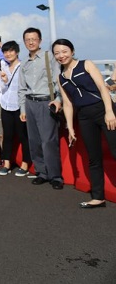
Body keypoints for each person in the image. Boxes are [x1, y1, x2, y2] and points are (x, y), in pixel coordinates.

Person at [54, 39, 116, 208]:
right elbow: (68, 104)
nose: (61, 55)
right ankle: (98, 197)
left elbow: (103, 88)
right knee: (93, 158)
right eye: (57, 53)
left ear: (72, 51)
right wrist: (70, 128)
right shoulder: (61, 77)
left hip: (103, 110)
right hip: (84, 117)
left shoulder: (86, 64)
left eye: (64, 51)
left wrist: (109, 111)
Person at [18, 27, 63, 190]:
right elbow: (22, 88)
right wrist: (23, 109)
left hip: (46, 102)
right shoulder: (24, 63)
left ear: (40, 41)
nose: (31, 42)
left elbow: (59, 81)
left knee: (48, 141)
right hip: (30, 103)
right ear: (24, 42)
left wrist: (58, 99)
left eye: (34, 39)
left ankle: (55, 176)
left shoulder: (49, 57)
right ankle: (41, 172)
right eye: (27, 40)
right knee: (34, 140)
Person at [0, 41, 32, 177]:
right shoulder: (3, 67)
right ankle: (6, 163)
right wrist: (5, 81)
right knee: (7, 136)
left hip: (19, 106)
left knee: (23, 136)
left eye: (11, 51)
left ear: (17, 52)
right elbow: (3, 88)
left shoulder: (23, 66)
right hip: (5, 105)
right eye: (5, 52)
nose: (8, 54)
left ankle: (25, 164)